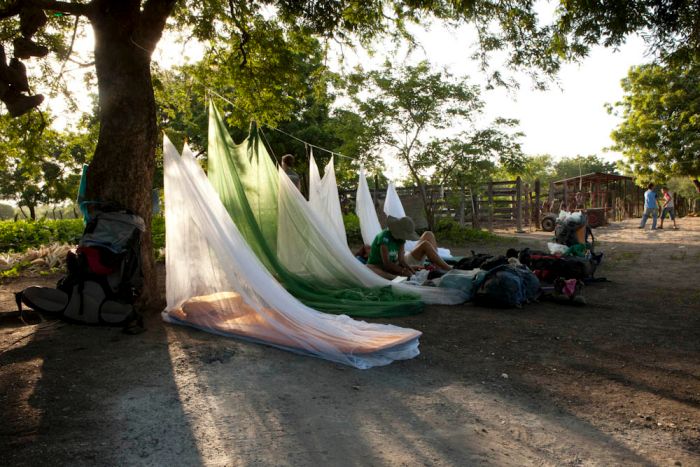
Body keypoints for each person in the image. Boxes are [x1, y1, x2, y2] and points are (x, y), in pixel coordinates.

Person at [366, 215, 451, 280]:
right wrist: (403, 271)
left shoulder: (400, 240)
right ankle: (449, 269)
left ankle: (446, 268)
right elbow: (387, 264)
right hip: (380, 267)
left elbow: (401, 260)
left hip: (394, 266)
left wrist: (409, 268)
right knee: (374, 271)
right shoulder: (384, 238)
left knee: (409, 272)